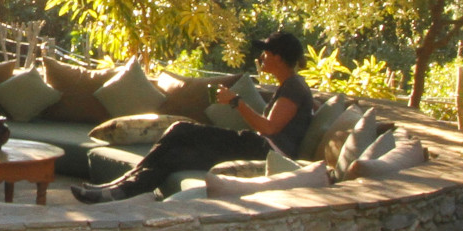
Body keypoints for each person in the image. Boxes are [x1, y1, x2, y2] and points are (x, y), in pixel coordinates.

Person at [71, 31, 317, 203]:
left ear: (277, 56)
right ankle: (118, 189)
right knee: (176, 151)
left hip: (263, 150)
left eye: (266, 52)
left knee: (181, 130)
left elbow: (270, 128)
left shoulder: (294, 87)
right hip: (258, 144)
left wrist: (235, 102)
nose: (261, 58)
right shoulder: (291, 85)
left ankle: (121, 188)